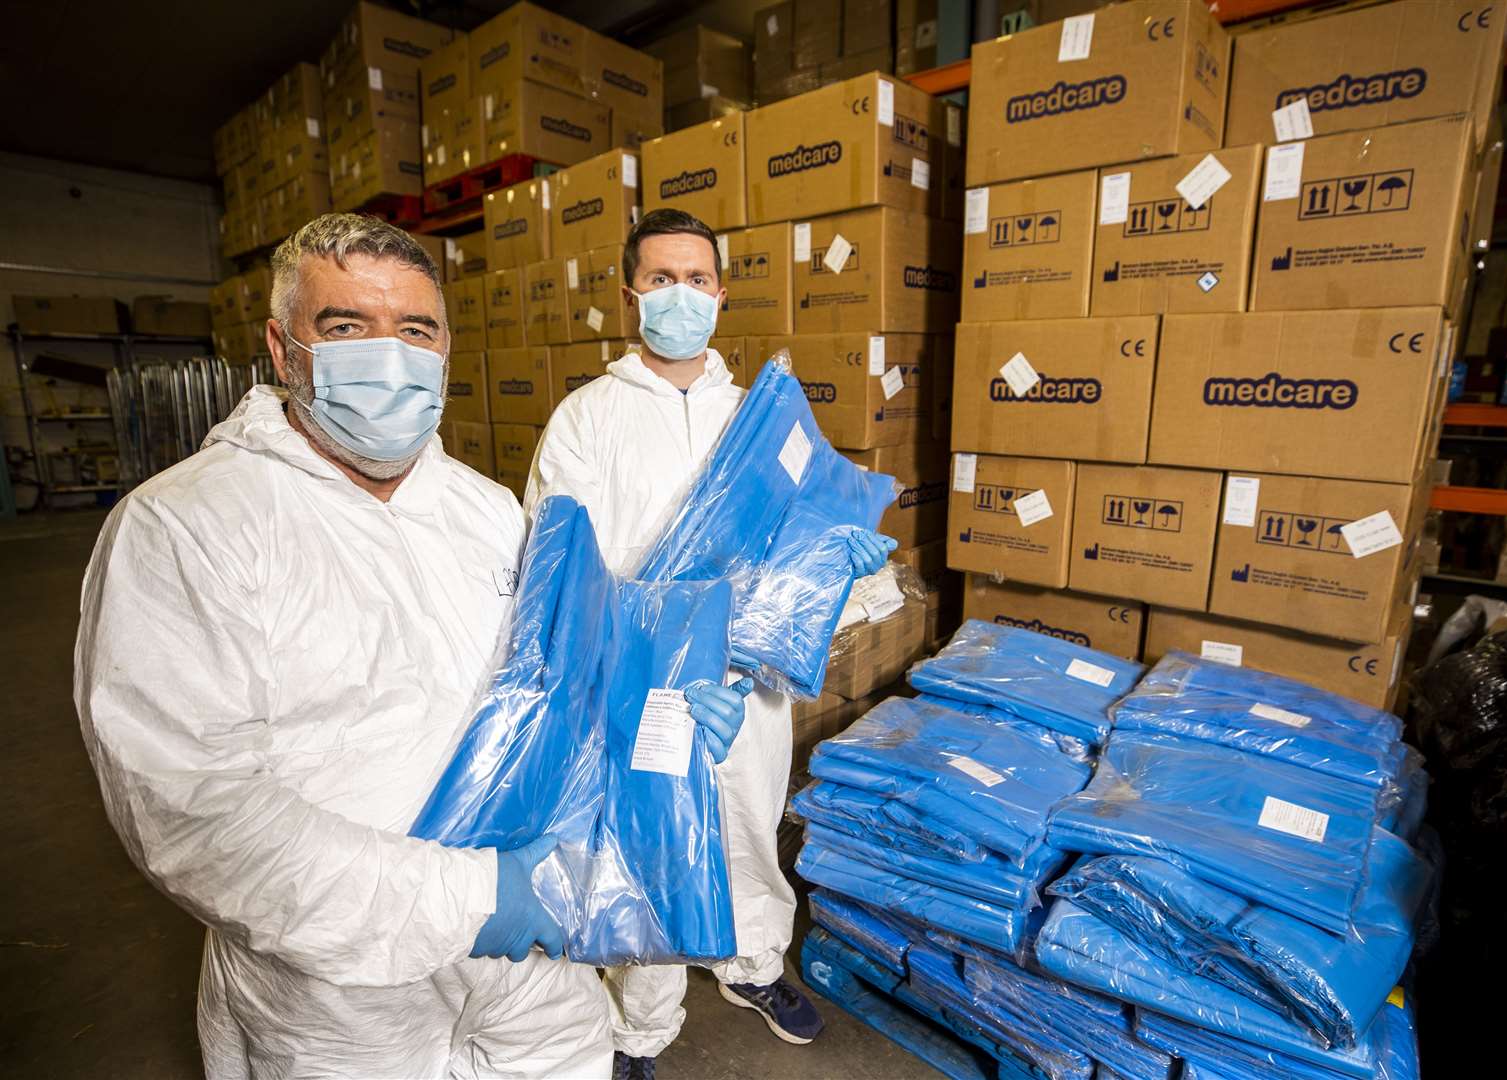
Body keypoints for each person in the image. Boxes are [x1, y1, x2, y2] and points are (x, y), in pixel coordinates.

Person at [73, 213, 752, 1078]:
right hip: (341, 1001)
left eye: (415, 330)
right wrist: (475, 898)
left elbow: (563, 685)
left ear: (442, 355)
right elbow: (196, 813)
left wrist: (659, 708)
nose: (387, 355)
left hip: (529, 972)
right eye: (348, 327)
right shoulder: (190, 527)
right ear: (284, 352)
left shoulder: (487, 511)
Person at [525, 208, 896, 1079]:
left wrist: (847, 565)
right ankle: (641, 1026)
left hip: (747, 682)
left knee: (748, 827)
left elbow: (805, 528)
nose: (680, 296)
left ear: (721, 294)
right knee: (651, 842)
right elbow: (559, 559)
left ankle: (754, 967)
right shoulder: (587, 419)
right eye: (660, 280)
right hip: (641, 682)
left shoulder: (763, 418)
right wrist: (632, 657)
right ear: (630, 298)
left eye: (697, 279)